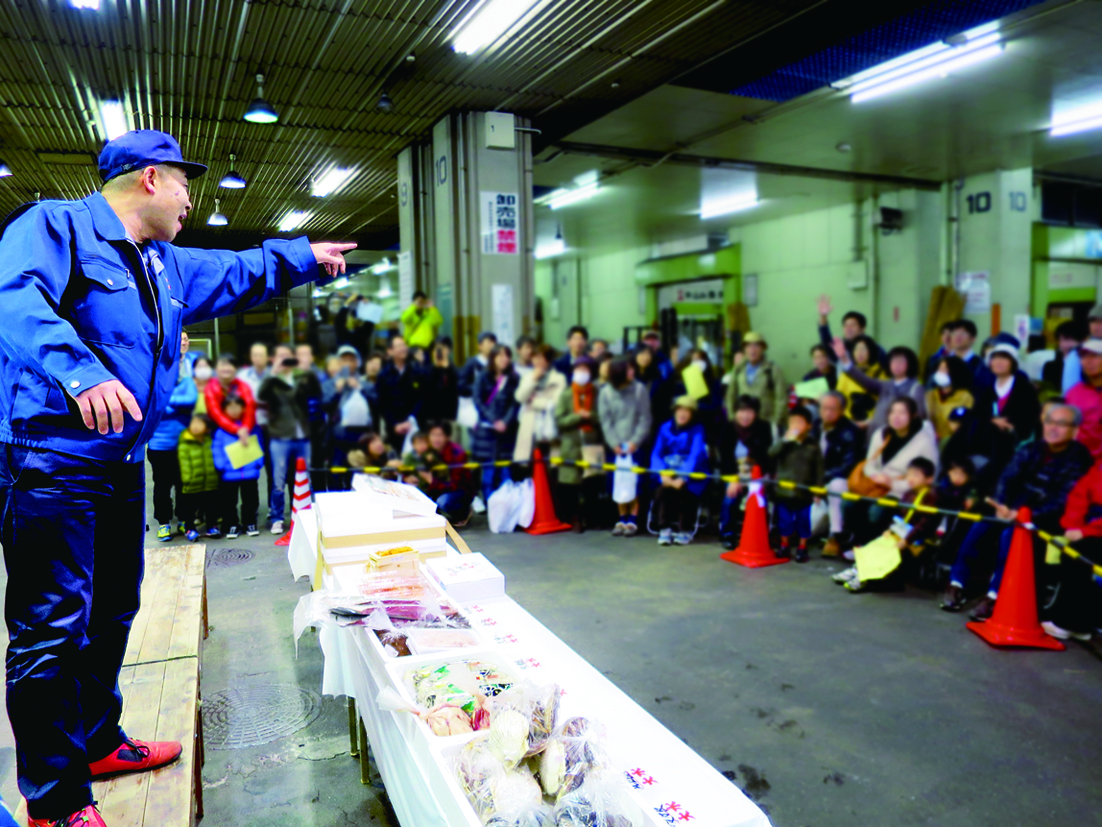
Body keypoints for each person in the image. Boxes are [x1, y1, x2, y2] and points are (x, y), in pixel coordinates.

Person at [0, 128, 355, 827]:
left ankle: (99, 740)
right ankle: (54, 798)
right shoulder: (54, 227)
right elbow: (13, 299)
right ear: (151, 179)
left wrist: (302, 258)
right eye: (187, 184)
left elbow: (236, 270)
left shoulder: (163, 264)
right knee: (50, 628)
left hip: (121, 463)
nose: (194, 199)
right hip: (52, 458)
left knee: (112, 611)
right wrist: (82, 370)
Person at [940, 402, 1091, 615]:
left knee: (1010, 536)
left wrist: (1021, 515)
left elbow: (1062, 501)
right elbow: (1007, 478)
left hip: (1044, 519)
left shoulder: (1079, 459)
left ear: (1075, 430)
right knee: (980, 526)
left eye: (1061, 424)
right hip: (1010, 509)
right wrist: (1002, 505)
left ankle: (994, 596)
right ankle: (957, 584)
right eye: (1049, 422)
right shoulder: (1032, 448)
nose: (1053, 428)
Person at [844, 397, 939, 552]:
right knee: (848, 503)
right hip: (874, 485)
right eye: (893, 412)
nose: (896, 416)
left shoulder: (924, 441)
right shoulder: (881, 433)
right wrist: (877, 476)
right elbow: (870, 462)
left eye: (902, 413)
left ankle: (872, 547)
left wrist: (892, 484)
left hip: (902, 492)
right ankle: (857, 542)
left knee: (876, 511)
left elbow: (926, 475)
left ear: (913, 415)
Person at [835, 457, 940, 592]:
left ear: (929, 479)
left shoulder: (932, 498)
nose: (911, 478)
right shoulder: (909, 494)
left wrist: (906, 540)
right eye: (909, 474)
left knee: (887, 553)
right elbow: (899, 516)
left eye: (916, 475)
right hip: (900, 532)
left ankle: (865, 577)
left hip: (915, 540)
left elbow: (925, 525)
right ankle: (857, 569)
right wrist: (890, 529)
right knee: (876, 544)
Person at [259, 350, 321, 535]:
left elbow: (315, 394)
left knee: (303, 479)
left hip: (302, 437)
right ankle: (277, 518)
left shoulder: (302, 379)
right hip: (279, 438)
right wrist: (275, 372)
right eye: (280, 357)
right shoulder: (271, 382)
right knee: (278, 481)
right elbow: (261, 396)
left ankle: (304, 516)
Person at [147, 331, 198, 540]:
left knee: (185, 485)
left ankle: (186, 522)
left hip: (185, 442)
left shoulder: (191, 370)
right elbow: (153, 404)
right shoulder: (155, 371)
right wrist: (175, 403)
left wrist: (168, 402)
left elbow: (192, 399)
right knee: (162, 487)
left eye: (186, 339)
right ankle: (164, 522)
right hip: (160, 444)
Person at [599, 357, 652, 537]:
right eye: (628, 369)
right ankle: (621, 518)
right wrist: (614, 443)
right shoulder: (605, 392)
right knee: (618, 482)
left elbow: (645, 418)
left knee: (635, 483)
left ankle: (633, 520)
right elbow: (605, 421)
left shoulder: (639, 390)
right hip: (615, 447)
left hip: (636, 446)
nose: (632, 372)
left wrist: (634, 442)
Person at [1048, 463, 1102, 640]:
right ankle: (1076, 620)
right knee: (1068, 550)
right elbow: (1078, 496)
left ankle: (1071, 622)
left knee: (1082, 555)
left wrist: (1086, 532)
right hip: (1088, 527)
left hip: (1095, 531)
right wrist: (1074, 526)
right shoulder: (1098, 468)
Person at [832, 338, 926, 436]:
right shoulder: (886, 384)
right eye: (893, 361)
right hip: (875, 434)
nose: (896, 365)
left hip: (897, 437)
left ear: (910, 364)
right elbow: (864, 380)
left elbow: (918, 417)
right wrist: (844, 358)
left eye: (901, 362)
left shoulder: (916, 387)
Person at [650, 396, 709, 546]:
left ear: (692, 414)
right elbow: (656, 453)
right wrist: (662, 473)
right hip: (668, 471)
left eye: (687, 411)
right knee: (662, 491)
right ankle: (664, 528)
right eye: (680, 409)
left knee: (686, 492)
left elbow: (695, 455)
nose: (682, 414)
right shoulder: (664, 427)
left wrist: (682, 478)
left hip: (692, 473)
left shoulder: (698, 429)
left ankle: (685, 530)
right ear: (675, 411)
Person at [555, 355, 604, 532]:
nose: (581, 373)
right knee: (571, 485)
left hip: (592, 442)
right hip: (571, 444)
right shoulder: (567, 394)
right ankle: (575, 518)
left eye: (585, 370)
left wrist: (590, 415)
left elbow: (604, 417)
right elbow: (559, 420)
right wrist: (578, 416)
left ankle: (591, 517)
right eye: (578, 370)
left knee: (592, 482)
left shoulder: (597, 392)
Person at [768, 405, 824, 562]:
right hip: (783, 491)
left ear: (809, 426)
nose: (795, 426)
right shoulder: (785, 442)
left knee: (803, 521)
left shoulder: (813, 445)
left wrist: (818, 491)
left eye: (799, 422)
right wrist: (785, 440)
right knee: (784, 520)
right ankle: (784, 546)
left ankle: (802, 547)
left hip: (804, 492)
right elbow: (771, 454)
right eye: (792, 422)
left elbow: (819, 469)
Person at [719, 395, 774, 549]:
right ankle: (727, 534)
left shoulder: (764, 428)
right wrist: (734, 479)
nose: (745, 416)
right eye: (741, 411)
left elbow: (765, 457)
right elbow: (725, 458)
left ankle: (760, 535)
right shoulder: (728, 428)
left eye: (749, 412)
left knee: (759, 500)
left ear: (756, 413)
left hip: (757, 475)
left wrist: (755, 477)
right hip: (734, 474)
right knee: (730, 499)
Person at [816, 390, 864, 556]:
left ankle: (834, 536)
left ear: (842, 410)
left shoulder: (851, 431)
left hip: (837, 480)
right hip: (814, 482)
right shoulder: (813, 426)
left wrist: (819, 480)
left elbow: (847, 466)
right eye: (824, 408)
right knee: (809, 527)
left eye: (832, 409)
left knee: (837, 485)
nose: (827, 412)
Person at [472, 345, 521, 501]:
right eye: (500, 355)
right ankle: (490, 505)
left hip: (507, 432)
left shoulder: (514, 378)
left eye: (507, 355)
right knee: (488, 472)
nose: (504, 359)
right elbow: (478, 400)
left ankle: (507, 504)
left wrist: (505, 422)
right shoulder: (483, 376)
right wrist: (494, 420)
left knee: (506, 470)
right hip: (487, 431)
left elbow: (515, 403)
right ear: (493, 357)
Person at [211, 395, 263, 538]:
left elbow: (258, 444)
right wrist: (220, 465)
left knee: (251, 500)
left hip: (249, 472)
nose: (234, 410)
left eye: (237, 407)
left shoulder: (250, 427)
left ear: (243, 409)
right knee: (229, 502)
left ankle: (250, 522)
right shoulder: (222, 430)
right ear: (224, 410)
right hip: (229, 473)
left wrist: (259, 461)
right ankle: (231, 524)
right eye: (230, 407)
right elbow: (217, 448)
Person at [975, 344, 1040, 446]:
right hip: (988, 437)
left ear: (1013, 363)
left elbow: (1029, 417)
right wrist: (991, 421)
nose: (998, 362)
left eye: (1004, 358)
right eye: (995, 358)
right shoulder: (987, 389)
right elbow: (978, 413)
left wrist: (1006, 424)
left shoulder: (1025, 388)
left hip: (1014, 440)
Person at [514, 343, 567, 463]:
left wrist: (533, 402)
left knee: (551, 463)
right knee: (529, 463)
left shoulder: (559, 378)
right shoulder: (528, 377)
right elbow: (520, 397)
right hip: (530, 424)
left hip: (550, 424)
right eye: (534, 357)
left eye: (540, 357)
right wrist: (533, 380)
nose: (536, 360)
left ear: (548, 359)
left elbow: (556, 402)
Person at [724, 332, 788, 430]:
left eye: (756, 345)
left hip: (766, 422)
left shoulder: (772, 369)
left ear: (762, 348)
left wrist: (775, 422)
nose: (752, 350)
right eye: (749, 346)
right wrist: (733, 418)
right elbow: (730, 395)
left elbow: (781, 398)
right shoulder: (738, 370)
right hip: (743, 423)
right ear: (744, 349)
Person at [376, 334, 425, 453]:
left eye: (404, 345)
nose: (403, 348)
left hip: (415, 425)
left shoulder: (416, 370)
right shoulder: (383, 374)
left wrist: (411, 420)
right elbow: (382, 404)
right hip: (394, 428)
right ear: (390, 351)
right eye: (399, 346)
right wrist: (394, 424)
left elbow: (422, 397)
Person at [329, 345, 376, 467]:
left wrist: (360, 388)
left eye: (351, 360)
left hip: (362, 436)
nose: (348, 363)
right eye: (344, 360)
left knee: (360, 471)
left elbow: (376, 405)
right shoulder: (330, 383)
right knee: (337, 471)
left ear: (357, 362)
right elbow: (324, 405)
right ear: (339, 363)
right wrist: (336, 391)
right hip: (338, 437)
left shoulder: (366, 384)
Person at [177, 414, 220, 542]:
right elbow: (184, 462)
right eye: (194, 423)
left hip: (209, 482)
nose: (195, 426)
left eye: (200, 424)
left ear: (207, 429)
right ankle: (190, 528)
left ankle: (211, 526)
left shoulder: (209, 441)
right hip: (192, 484)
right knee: (190, 509)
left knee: (210, 506)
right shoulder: (185, 441)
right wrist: (188, 479)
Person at [425, 422, 475, 525]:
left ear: (447, 437)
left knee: (443, 502)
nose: (436, 439)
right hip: (439, 487)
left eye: (440, 435)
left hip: (460, 489)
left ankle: (463, 512)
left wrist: (431, 481)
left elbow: (454, 484)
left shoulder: (457, 453)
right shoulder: (428, 451)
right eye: (433, 435)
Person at [817, 294, 886, 368]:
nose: (848, 328)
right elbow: (826, 340)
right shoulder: (841, 348)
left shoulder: (875, 349)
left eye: (853, 325)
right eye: (845, 325)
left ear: (862, 329)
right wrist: (823, 316)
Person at [835, 334, 885, 426]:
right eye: (856, 349)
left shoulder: (881, 373)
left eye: (863, 349)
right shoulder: (845, 375)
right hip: (848, 422)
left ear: (871, 351)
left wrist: (868, 421)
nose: (859, 353)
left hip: (873, 422)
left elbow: (883, 402)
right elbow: (839, 399)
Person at [1065, 339, 1102, 462]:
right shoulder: (1074, 393)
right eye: (1084, 357)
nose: (1089, 361)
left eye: (1095, 356)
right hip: (1079, 460)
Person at [925, 355, 975, 440]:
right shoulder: (931, 394)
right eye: (939, 369)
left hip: (953, 441)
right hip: (930, 439)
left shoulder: (965, 396)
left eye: (944, 369)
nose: (940, 373)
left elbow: (961, 424)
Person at [420, 338, 460, 426]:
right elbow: (426, 390)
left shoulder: (454, 370)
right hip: (430, 417)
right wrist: (436, 367)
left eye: (443, 348)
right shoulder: (426, 370)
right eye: (436, 349)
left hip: (449, 417)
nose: (439, 352)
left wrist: (447, 368)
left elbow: (456, 389)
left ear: (449, 350)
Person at [1041, 320, 1085, 392]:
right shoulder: (1049, 366)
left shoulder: (1087, 366)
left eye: (1068, 340)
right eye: (1061, 340)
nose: (1064, 345)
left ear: (1082, 341)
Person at [458, 331, 498, 410]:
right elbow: (461, 386)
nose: (492, 346)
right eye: (489, 342)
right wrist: (478, 388)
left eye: (494, 343)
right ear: (480, 346)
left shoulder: (496, 364)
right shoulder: (471, 363)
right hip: (474, 404)